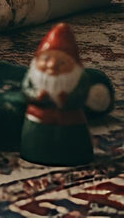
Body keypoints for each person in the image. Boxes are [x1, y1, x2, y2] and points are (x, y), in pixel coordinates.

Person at [19, 22, 113, 165]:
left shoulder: (79, 78)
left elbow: (81, 96)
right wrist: (36, 95)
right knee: (36, 138)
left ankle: (70, 154)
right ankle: (33, 151)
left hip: (70, 119)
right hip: (38, 119)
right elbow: (26, 89)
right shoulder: (33, 75)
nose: (51, 66)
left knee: (71, 140)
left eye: (61, 62)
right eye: (46, 60)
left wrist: (67, 100)